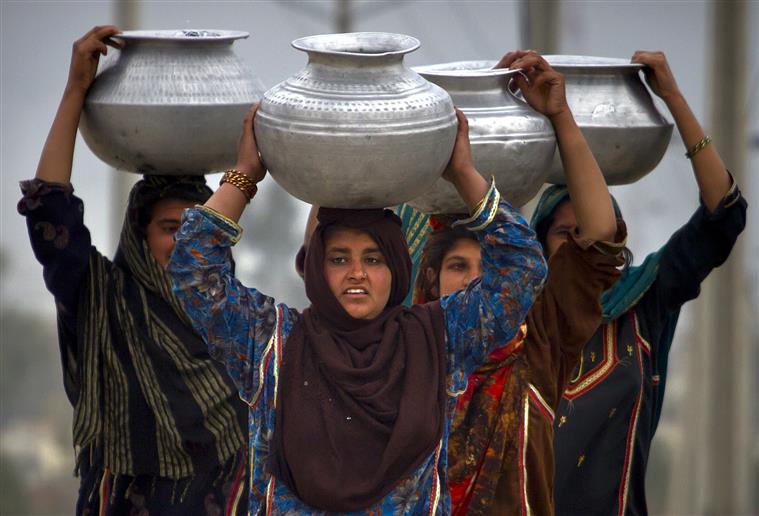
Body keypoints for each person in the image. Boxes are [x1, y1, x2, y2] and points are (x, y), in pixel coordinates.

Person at [165, 98, 548, 513]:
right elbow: (192, 271)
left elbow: (523, 268)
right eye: (339, 258)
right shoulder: (271, 343)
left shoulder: (440, 337)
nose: (357, 273)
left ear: (398, 266)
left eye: (373, 259)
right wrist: (244, 177)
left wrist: (463, 174)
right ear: (316, 267)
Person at [18, 26, 248, 515]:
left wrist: (249, 169)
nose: (184, 243)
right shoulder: (100, 299)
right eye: (170, 228)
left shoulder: (240, 323)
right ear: (141, 238)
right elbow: (50, 215)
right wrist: (76, 90)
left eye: (198, 230)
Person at [413, 51, 626, 515]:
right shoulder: (402, 351)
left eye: (487, 270)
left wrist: (559, 116)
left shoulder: (540, 341)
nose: (473, 282)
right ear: (429, 282)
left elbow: (598, 237)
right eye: (457, 268)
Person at [539, 51, 748, 515]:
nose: (582, 244)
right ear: (537, 244)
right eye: (564, 234)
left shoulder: (642, 303)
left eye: (593, 231)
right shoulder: (516, 321)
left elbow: (723, 219)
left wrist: (671, 96)